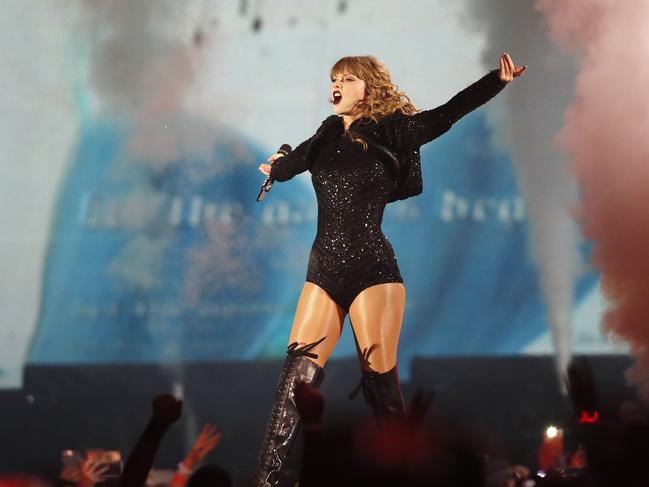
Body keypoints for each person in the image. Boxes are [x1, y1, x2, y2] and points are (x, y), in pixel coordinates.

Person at [252, 53, 527, 486]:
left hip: (372, 270)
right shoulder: (325, 134)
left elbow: (446, 115)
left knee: (378, 379)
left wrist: (496, 81)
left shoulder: (393, 129)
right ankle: (263, 481)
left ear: (368, 86)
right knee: (295, 377)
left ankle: (402, 475)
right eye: (333, 78)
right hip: (322, 268)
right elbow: (291, 165)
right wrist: (278, 162)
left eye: (346, 77)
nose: (336, 84)